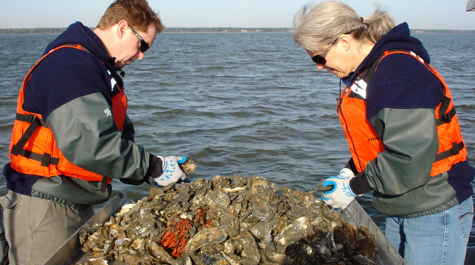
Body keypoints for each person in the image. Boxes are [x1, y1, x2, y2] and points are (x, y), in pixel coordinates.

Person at [0, 0, 190, 263]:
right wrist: (153, 168)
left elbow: (116, 137)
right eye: (142, 45)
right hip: (46, 206)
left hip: (72, 200)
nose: (142, 55)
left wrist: (151, 169)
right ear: (122, 28)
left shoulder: (94, 68)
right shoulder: (71, 67)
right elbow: (91, 145)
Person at [293, 1, 474, 264]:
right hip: (401, 205)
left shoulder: (396, 74)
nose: (319, 66)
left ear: (343, 42)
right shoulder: (370, 73)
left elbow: (409, 158)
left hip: (435, 208)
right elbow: (382, 140)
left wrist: (353, 187)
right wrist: (351, 169)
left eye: (319, 57)